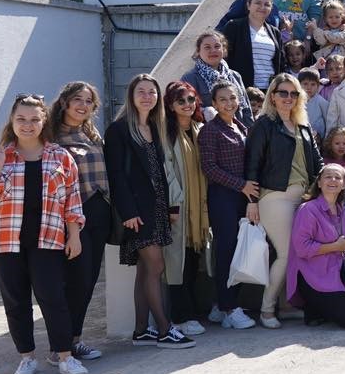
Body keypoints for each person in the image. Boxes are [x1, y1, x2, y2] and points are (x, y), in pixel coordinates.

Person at [0, 94, 89, 374]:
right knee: (15, 301)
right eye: (21, 119)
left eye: (34, 119)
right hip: (4, 240)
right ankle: (26, 358)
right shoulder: (1, 155)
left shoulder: (60, 156)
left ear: (43, 122)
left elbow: (71, 200)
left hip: (47, 238)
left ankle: (64, 356)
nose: (28, 125)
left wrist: (73, 235)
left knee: (53, 297)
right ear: (12, 122)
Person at [104, 74, 195, 349]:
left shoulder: (157, 128)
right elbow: (116, 176)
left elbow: (162, 172)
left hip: (157, 209)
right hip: (137, 213)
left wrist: (169, 207)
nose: (147, 96)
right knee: (157, 266)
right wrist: (128, 211)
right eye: (141, 92)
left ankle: (142, 330)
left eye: (152, 92)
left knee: (146, 269)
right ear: (131, 96)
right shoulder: (118, 130)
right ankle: (166, 330)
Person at [244, 72, 323, 329]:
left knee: (301, 253)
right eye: (283, 93)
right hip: (275, 196)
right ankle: (266, 310)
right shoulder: (264, 124)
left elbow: (317, 162)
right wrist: (252, 201)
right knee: (287, 253)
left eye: (293, 93)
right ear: (273, 96)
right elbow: (252, 165)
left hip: (304, 197)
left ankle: (287, 305)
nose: (288, 98)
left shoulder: (303, 125)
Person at [48, 81, 110, 361]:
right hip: (71, 216)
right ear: (64, 102)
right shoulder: (50, 136)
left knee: (89, 280)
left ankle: (74, 339)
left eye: (88, 101)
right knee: (75, 279)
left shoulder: (91, 133)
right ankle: (60, 345)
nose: (83, 106)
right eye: (77, 100)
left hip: (100, 210)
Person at [286, 163, 345, 329]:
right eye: (328, 176)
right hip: (314, 276)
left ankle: (327, 305)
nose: (333, 180)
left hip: (338, 271)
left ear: (343, 184)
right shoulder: (307, 209)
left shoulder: (341, 210)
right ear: (319, 183)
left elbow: (343, 246)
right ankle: (313, 305)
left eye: (337, 177)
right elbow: (302, 248)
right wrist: (336, 246)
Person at [198, 81, 257, 330]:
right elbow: (209, 168)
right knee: (227, 252)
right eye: (222, 99)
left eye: (232, 98)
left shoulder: (241, 126)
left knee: (239, 251)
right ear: (214, 103)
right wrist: (241, 185)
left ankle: (221, 305)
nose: (229, 103)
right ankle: (229, 308)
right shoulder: (210, 131)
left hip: (241, 197)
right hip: (223, 197)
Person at [161, 81, 210, 337]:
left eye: (191, 99)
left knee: (191, 259)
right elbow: (166, 172)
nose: (187, 105)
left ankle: (191, 312)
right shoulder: (164, 133)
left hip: (199, 206)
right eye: (181, 101)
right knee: (176, 261)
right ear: (170, 105)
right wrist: (173, 202)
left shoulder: (200, 128)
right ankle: (180, 316)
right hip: (178, 206)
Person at [182, 31, 253, 127]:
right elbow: (186, 110)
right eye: (207, 47)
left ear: (224, 50)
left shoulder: (235, 76)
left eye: (217, 46)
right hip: (209, 134)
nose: (213, 51)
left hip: (238, 132)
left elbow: (246, 109)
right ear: (198, 51)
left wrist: (249, 132)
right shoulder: (190, 78)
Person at [222, 0, 285, 93]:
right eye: (258, 3)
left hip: (269, 91)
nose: (262, 7)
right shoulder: (234, 26)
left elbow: (281, 63)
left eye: (267, 4)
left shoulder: (275, 32)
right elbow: (224, 58)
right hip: (241, 89)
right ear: (248, 5)